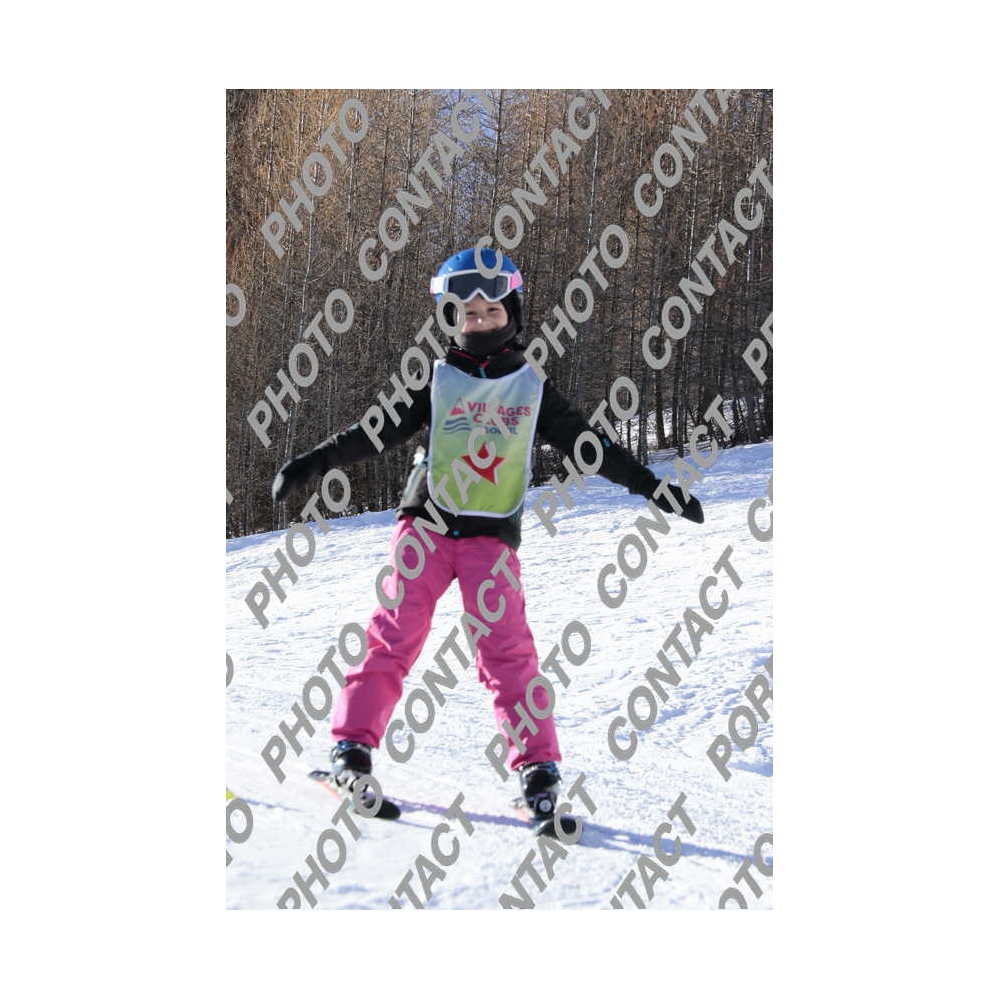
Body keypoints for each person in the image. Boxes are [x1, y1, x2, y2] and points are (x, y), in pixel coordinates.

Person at [271, 247, 704, 822]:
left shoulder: (531, 387)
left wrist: (651, 487)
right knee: (394, 636)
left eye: (491, 312)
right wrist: (314, 462)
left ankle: (538, 770)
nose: (479, 323)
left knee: (507, 651)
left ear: (512, 315)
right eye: (468, 315)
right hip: (425, 526)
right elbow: (374, 431)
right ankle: (352, 751)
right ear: (452, 319)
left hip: (491, 537)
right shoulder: (435, 379)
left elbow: (590, 446)